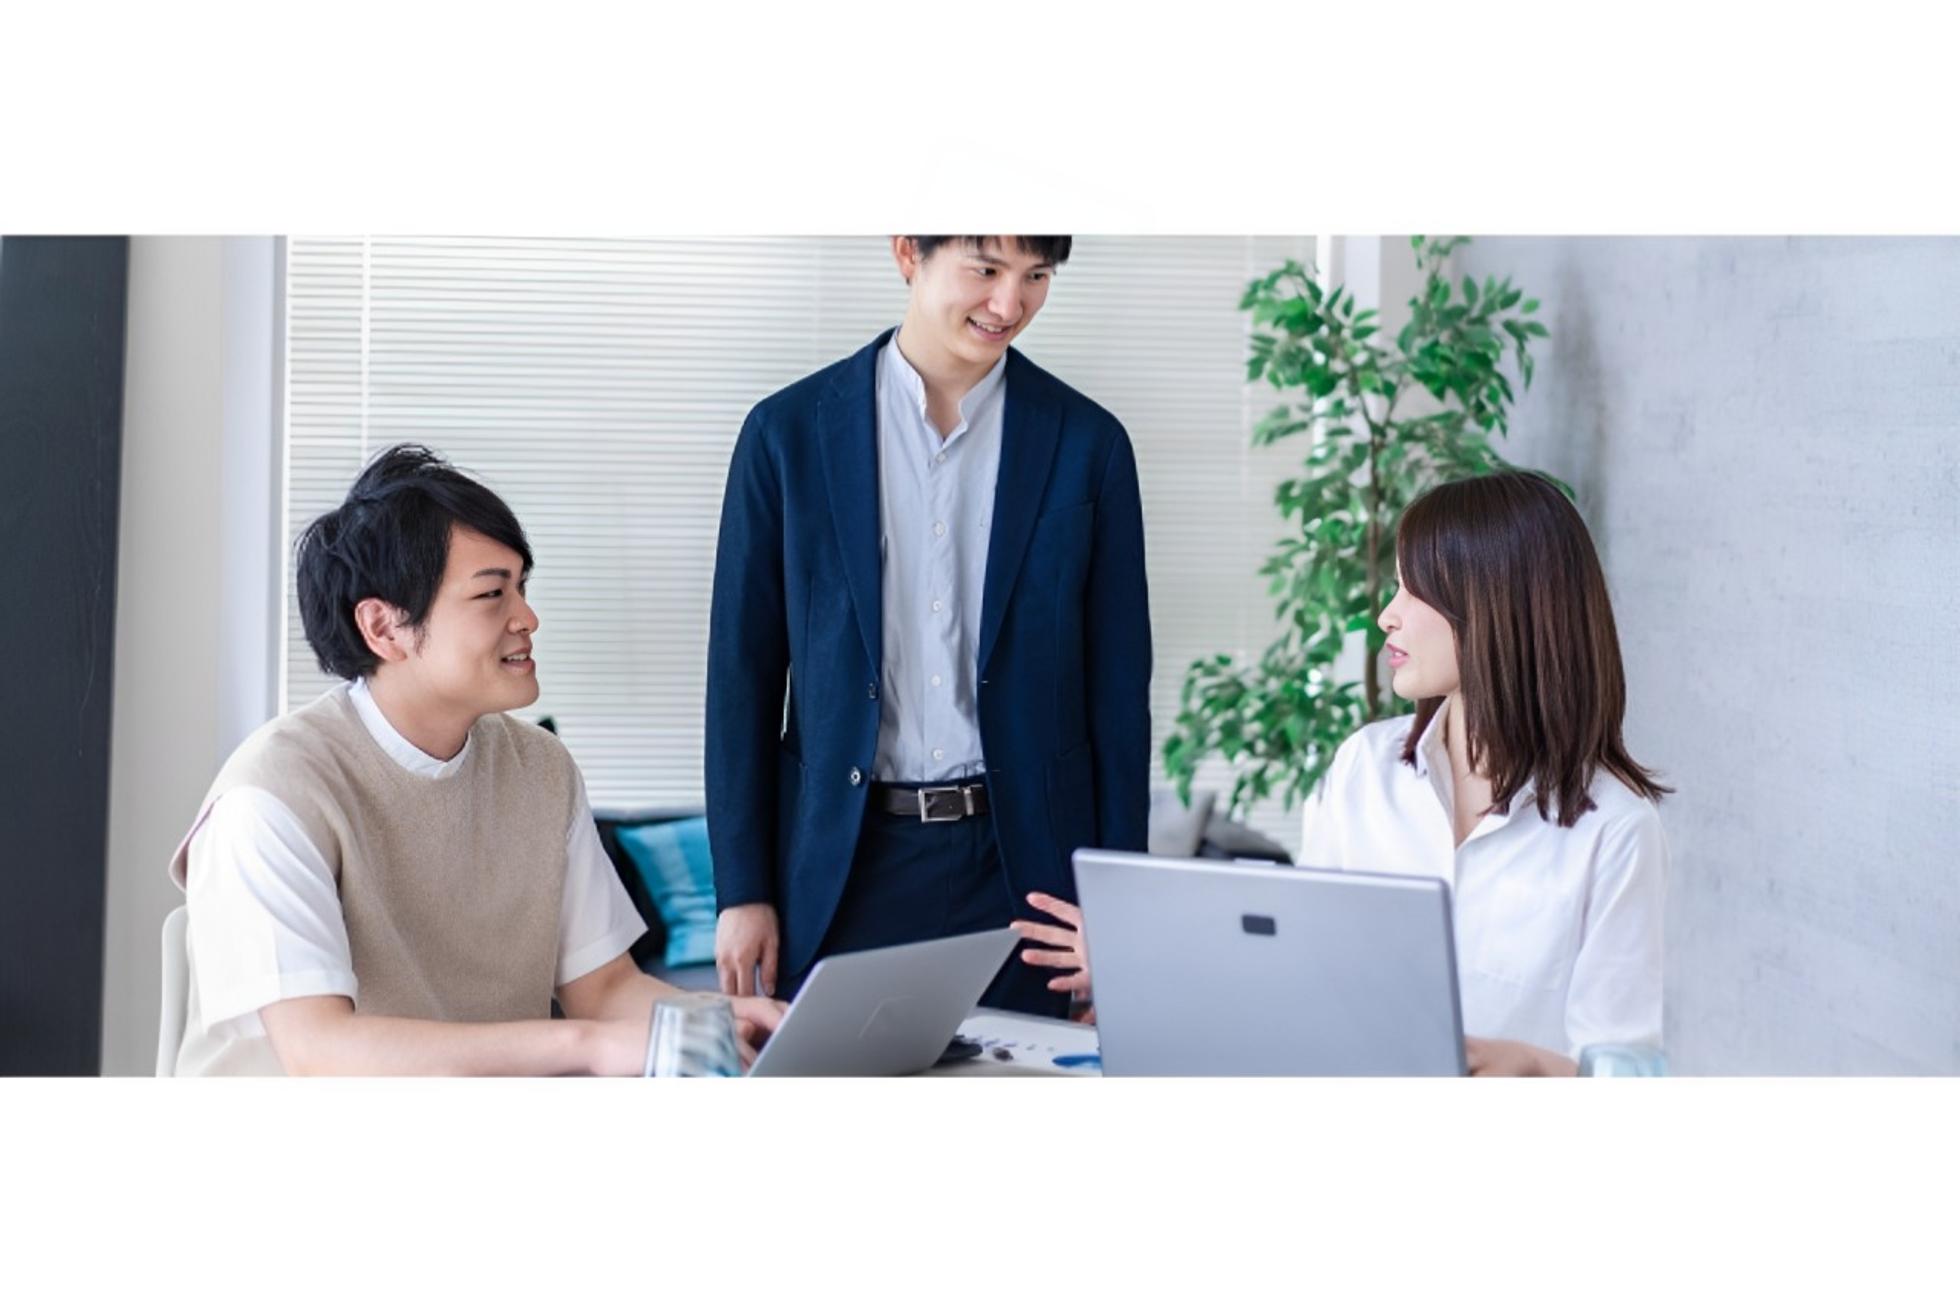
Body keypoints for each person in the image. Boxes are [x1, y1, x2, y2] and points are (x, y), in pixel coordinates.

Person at [1014, 470, 1669, 1075]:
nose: (1387, 614)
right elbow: (1296, 975)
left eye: (1414, 589)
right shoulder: (1365, 768)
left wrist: (1531, 1065)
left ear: (1498, 607)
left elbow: (1630, 1073)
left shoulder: (1614, 829)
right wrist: (1144, 965)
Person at [169, 445, 782, 1075]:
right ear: (384, 628)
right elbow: (319, 1052)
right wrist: (588, 1046)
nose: (528, 617)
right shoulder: (272, 794)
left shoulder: (540, 770)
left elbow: (604, 991)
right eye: (492, 593)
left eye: (522, 587)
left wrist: (726, 1020)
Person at [706, 236, 1152, 1018]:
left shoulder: (1090, 445)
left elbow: (1118, 700)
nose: (1010, 304)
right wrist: (743, 890)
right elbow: (741, 679)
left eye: (1036, 276)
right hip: (842, 872)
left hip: (1029, 882)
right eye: (985, 269)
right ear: (909, 252)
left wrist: (1119, 910)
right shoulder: (787, 435)